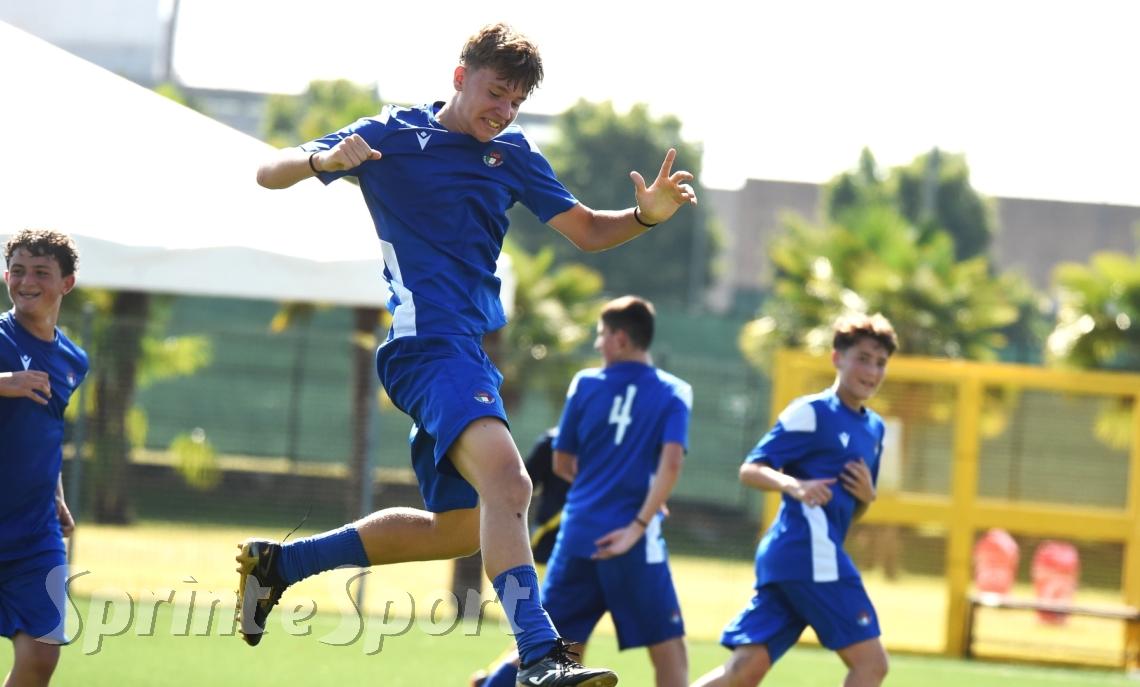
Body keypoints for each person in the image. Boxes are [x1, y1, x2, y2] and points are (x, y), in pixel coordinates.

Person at [242, 23, 696, 687]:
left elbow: (587, 230)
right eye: (495, 93)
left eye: (516, 101)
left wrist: (645, 216)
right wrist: (323, 160)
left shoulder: (512, 152)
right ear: (461, 77)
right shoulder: (392, 134)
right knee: (512, 485)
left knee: (461, 528)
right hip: (426, 348)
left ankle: (282, 564)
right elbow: (268, 172)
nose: (504, 110)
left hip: (467, 356)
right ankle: (540, 655)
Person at [477, 296, 691, 687]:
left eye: (602, 334)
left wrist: (600, 490)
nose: (598, 343)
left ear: (621, 339)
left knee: (550, 652)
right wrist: (640, 520)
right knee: (670, 654)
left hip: (577, 538)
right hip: (633, 544)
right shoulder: (675, 391)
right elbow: (672, 464)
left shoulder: (585, 383)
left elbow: (562, 462)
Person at [692, 313, 896, 687]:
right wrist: (794, 485)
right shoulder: (812, 411)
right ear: (837, 358)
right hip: (808, 553)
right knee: (872, 664)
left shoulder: (875, 428)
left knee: (745, 670)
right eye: (863, 358)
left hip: (800, 557)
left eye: (880, 362)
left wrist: (868, 497)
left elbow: (852, 510)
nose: (872, 371)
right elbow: (750, 469)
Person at [1, 230, 88, 687]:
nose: (26, 281)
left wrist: (56, 495)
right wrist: (3, 382)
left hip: (35, 532)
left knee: (41, 657)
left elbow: (47, 430)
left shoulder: (74, 360)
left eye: (40, 272)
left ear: (66, 283)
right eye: (17, 271)